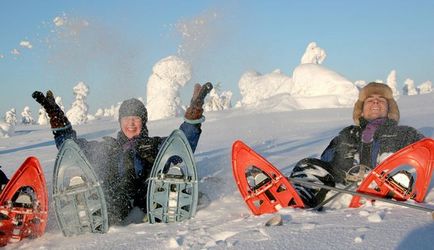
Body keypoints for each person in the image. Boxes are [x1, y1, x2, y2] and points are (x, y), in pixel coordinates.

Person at [32, 83, 212, 225]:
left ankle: (170, 197)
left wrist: (193, 119)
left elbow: (182, 146)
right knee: (101, 184)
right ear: (120, 122)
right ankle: (86, 204)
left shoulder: (155, 145)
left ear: (144, 122)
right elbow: (72, 148)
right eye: (127, 119)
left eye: (136, 119)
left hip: (148, 197)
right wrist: (58, 120)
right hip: (114, 199)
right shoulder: (108, 147)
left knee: (166, 170)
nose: (131, 124)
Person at [289, 82, 425, 207]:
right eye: (370, 100)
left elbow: (427, 156)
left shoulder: (405, 133)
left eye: (382, 100)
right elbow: (325, 163)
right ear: (361, 109)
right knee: (307, 165)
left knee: (403, 176)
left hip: (384, 186)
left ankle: (391, 194)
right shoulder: (348, 133)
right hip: (343, 190)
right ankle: (297, 201)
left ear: (390, 109)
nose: (376, 102)